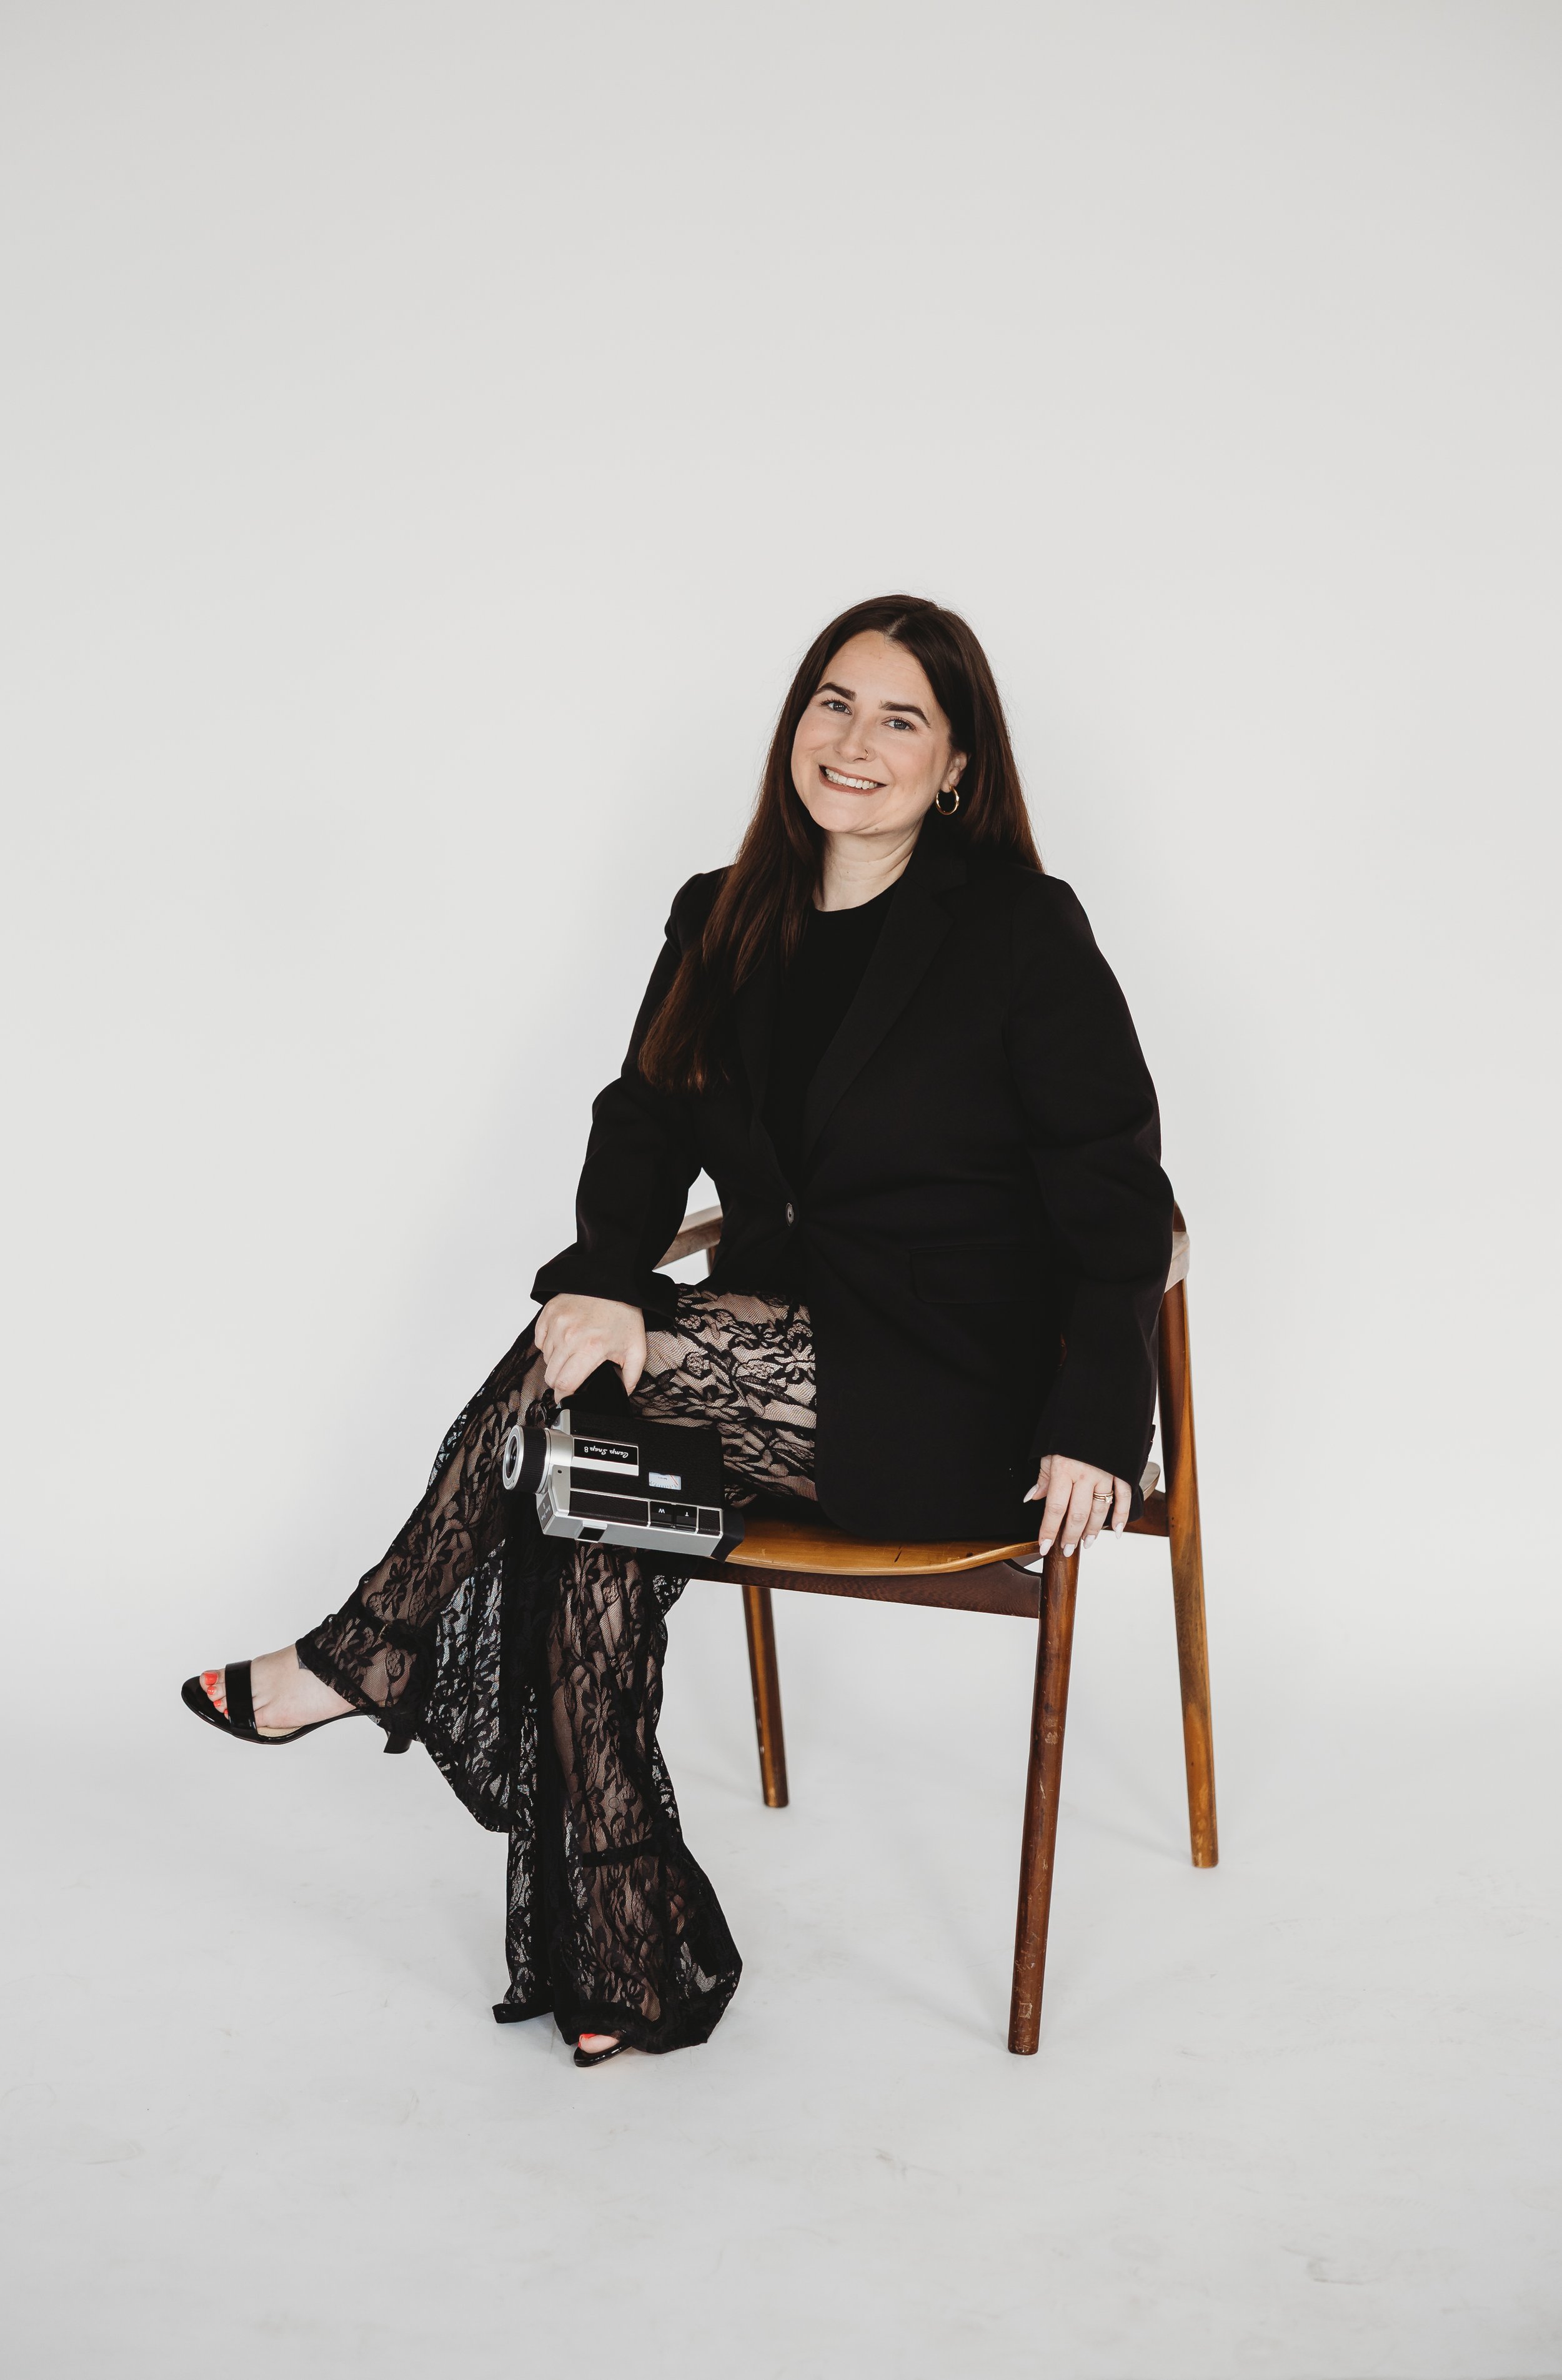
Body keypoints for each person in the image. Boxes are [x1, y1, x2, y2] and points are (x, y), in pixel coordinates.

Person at [183, 594, 1173, 2066]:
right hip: (763, 1360)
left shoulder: (1018, 930)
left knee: (571, 1383)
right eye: (830, 702)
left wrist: (1100, 1414)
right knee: (586, 1497)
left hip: (958, 1401)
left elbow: (1120, 1194)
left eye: (900, 718)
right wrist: (608, 1271)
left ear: (957, 764)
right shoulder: (719, 912)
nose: (852, 742)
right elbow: (641, 1125)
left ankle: (372, 1648)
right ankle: (631, 1962)